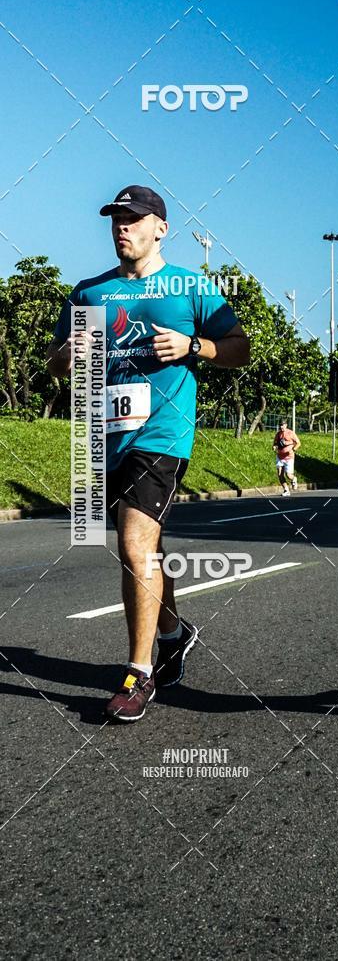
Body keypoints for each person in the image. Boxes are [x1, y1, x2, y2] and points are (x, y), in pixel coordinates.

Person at [47, 185, 250, 723]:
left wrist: (195, 347)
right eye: (116, 218)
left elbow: (240, 348)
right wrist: (66, 358)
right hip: (106, 435)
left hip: (162, 435)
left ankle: (137, 675)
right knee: (144, 551)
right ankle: (173, 632)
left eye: (133, 219)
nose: (122, 227)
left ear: (160, 227)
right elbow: (55, 364)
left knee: (136, 544)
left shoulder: (190, 285)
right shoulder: (90, 292)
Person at [273, 418, 300, 496]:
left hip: (289, 457)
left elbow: (298, 443)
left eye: (283, 425)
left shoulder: (291, 433)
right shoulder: (278, 434)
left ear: (286, 425)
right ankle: (286, 490)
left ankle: (294, 479)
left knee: (288, 475)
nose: (281, 427)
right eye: (280, 425)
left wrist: (293, 449)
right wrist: (274, 447)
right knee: (280, 474)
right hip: (280, 457)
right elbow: (275, 444)